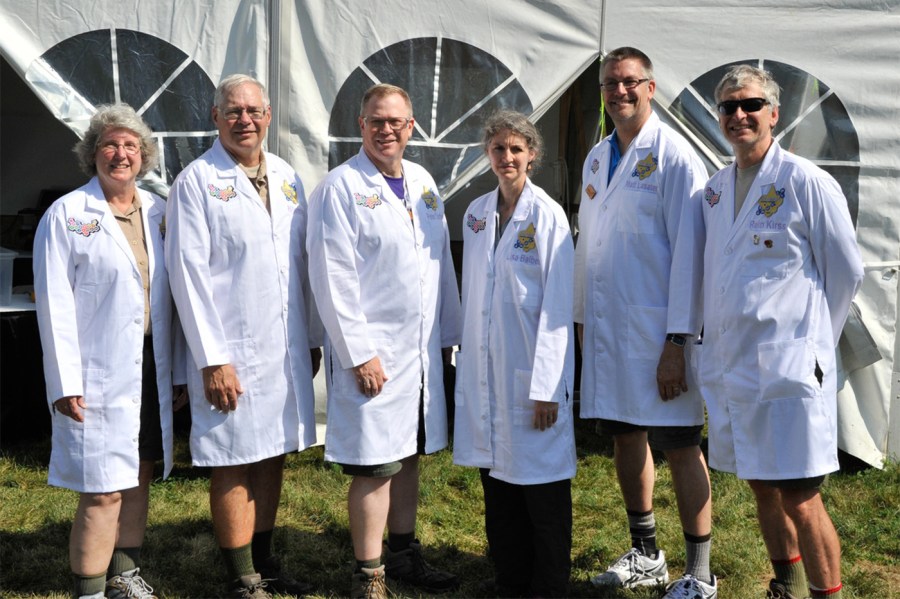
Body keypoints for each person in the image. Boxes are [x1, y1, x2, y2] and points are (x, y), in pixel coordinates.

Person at [698, 65, 864, 599]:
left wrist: (813, 340)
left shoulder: (805, 181)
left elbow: (845, 271)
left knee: (800, 496)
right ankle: (786, 586)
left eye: (750, 105)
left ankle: (825, 594)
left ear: (774, 113)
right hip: (737, 364)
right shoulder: (715, 190)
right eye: (728, 107)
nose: (739, 115)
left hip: (790, 365)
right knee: (761, 484)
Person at [165, 74, 321, 599]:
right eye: (233, 111)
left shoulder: (287, 177)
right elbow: (187, 276)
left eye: (253, 111)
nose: (244, 120)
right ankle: (241, 577)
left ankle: (266, 562)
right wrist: (212, 360)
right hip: (229, 351)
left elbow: (302, 266)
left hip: (283, 347)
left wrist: (311, 338)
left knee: (273, 451)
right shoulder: (196, 182)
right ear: (216, 117)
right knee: (231, 457)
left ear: (268, 116)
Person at [306, 83, 462, 599]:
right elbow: (332, 277)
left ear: (411, 127)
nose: (386, 130)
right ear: (361, 125)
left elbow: (439, 265)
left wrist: (448, 336)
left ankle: (403, 553)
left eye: (396, 121)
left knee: (409, 453)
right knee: (376, 464)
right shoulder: (340, 187)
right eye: (377, 121)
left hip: (419, 352)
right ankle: (368, 574)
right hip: (373, 353)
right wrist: (359, 354)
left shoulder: (422, 182)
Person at [573, 47, 716, 598]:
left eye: (630, 82)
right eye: (611, 83)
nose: (619, 92)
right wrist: (582, 318)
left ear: (651, 88)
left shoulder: (675, 157)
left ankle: (700, 572)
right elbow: (590, 245)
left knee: (680, 444)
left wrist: (677, 341)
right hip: (609, 329)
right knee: (625, 435)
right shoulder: (596, 157)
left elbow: (691, 254)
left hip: (660, 334)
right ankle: (647, 553)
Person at [33, 103, 186, 599]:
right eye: (110, 145)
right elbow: (53, 303)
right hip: (95, 372)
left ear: (144, 155)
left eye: (130, 145)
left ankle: (124, 575)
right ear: (92, 153)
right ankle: (90, 590)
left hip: (151, 364)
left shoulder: (160, 212)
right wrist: (65, 383)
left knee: (139, 473)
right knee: (102, 488)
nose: (121, 154)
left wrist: (178, 371)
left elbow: (176, 298)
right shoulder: (68, 215)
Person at [453, 110, 576, 598]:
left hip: (530, 373)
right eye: (499, 148)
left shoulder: (547, 216)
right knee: (498, 485)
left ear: (532, 155)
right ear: (488, 154)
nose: (507, 157)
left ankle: (549, 587)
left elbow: (558, 306)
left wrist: (547, 387)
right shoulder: (477, 214)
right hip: (489, 372)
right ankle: (510, 579)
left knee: (542, 489)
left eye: (516, 149)